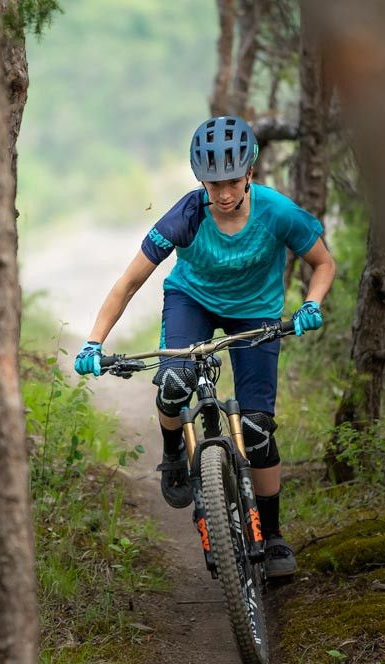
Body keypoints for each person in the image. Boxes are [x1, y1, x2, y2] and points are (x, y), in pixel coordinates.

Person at [72, 115, 335, 578]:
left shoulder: (276, 212)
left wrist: (311, 304)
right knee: (174, 382)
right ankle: (174, 452)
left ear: (250, 173)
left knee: (256, 430)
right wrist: (94, 341)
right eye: (214, 184)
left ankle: (272, 536)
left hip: (256, 311)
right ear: (201, 180)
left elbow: (323, 264)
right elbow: (130, 283)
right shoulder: (187, 215)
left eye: (233, 181)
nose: (225, 193)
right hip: (192, 301)